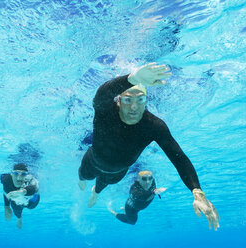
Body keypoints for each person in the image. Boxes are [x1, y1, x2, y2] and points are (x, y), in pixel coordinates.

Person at [78, 62, 219, 230]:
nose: (134, 107)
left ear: (146, 101)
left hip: (117, 173)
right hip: (92, 161)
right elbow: (101, 94)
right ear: (118, 100)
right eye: (128, 99)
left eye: (140, 99)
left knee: (101, 186)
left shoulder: (153, 125)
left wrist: (197, 191)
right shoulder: (106, 111)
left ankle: (95, 192)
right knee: (83, 176)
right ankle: (84, 184)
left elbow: (178, 157)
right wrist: (133, 78)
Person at [0, 163, 40, 229]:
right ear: (11, 174)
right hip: (17, 199)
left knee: (31, 207)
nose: (19, 178)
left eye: (23, 174)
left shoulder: (30, 179)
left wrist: (22, 192)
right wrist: (6, 206)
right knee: (15, 208)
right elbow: (5, 192)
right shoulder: (6, 179)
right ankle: (19, 218)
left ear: (26, 175)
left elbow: (34, 188)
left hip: (32, 200)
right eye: (16, 173)